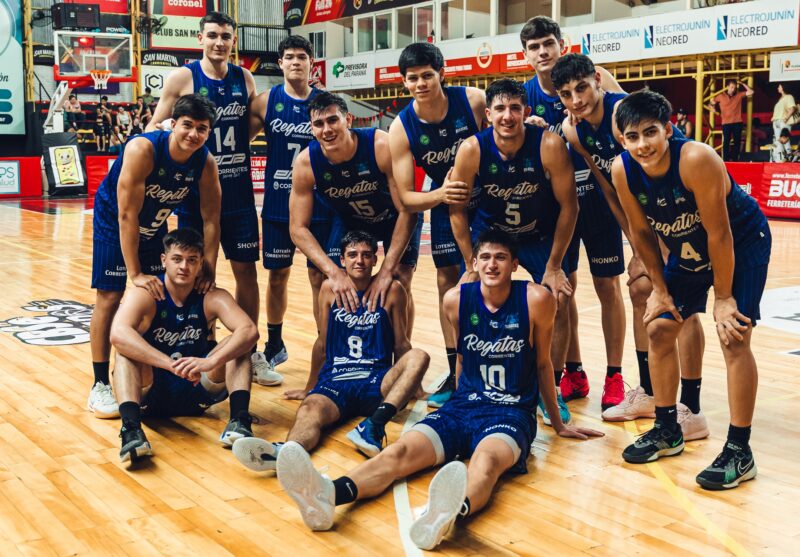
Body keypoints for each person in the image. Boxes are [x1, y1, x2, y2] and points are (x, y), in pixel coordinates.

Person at [274, 229, 602, 548]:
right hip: (461, 409)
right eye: (485, 257)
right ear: (474, 262)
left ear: (515, 264)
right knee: (398, 452)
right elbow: (462, 357)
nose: (492, 265)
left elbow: (543, 364)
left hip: (509, 413)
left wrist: (558, 423)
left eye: (501, 258)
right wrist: (456, 402)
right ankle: (328, 494)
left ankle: (447, 514)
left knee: (486, 462)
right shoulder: (455, 301)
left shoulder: (536, 299)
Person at [612, 90, 771, 490]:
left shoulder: (697, 159)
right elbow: (641, 233)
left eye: (650, 132)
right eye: (633, 136)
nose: (643, 144)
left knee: (734, 336)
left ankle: (740, 450)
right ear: (622, 140)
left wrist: (724, 298)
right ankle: (668, 429)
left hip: (741, 241)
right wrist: (660, 290)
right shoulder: (622, 170)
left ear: (668, 129)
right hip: (687, 246)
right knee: (659, 327)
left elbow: (720, 234)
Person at [553, 54, 708, 435]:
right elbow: (611, 191)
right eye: (567, 94)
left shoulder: (622, 113)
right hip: (644, 215)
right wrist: (639, 249)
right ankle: (651, 392)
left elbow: (664, 173)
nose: (577, 100)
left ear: (597, 80)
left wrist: (664, 248)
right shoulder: (573, 130)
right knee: (641, 290)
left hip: (679, 210)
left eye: (582, 88)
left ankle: (691, 405)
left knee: (682, 303)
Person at [232, 231, 430, 470]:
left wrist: (416, 389)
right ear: (342, 260)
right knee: (309, 410)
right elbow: (322, 343)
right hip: (336, 379)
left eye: (366, 255)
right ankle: (287, 452)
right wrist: (309, 387)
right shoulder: (329, 289)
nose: (360, 260)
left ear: (375, 260)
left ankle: (373, 425)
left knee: (419, 356)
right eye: (353, 255)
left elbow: (401, 344)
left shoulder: (393, 290)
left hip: (377, 381)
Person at [148, 12, 271, 382]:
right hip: (195, 195)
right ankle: (206, 346)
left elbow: (248, 125)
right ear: (200, 39)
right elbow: (155, 126)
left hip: (238, 190)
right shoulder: (182, 78)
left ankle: (248, 350)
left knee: (246, 271)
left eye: (226, 36)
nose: (220, 42)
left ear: (233, 41)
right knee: (198, 275)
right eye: (213, 35)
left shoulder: (244, 77)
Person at [449, 78, 578, 426]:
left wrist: (554, 265)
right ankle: (473, 382)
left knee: (559, 297)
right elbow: (456, 210)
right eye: (500, 109)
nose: (508, 116)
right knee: (467, 298)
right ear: (488, 114)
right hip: (492, 236)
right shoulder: (472, 149)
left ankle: (552, 388)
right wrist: (470, 262)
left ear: (526, 111)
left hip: (539, 235)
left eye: (515, 108)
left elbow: (570, 206)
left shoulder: (549, 144)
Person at [519, 15, 629, 414]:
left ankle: (615, 375)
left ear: (561, 45)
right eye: (534, 47)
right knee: (563, 292)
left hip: (599, 196)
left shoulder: (597, 77)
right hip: (558, 204)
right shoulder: (525, 95)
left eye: (548, 43)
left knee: (607, 287)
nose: (542, 52)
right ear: (526, 55)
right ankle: (574, 370)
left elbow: (630, 120)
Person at [87, 94, 221, 419]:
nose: (193, 134)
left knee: (162, 295)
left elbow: (211, 220)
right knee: (110, 296)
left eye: (201, 129)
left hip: (154, 223)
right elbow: (127, 215)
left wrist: (209, 268)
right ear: (173, 124)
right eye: (187, 125)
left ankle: (156, 374)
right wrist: (135, 273)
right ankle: (100, 383)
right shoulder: (143, 149)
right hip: (115, 221)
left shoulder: (204, 162)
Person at [390, 42, 487, 407]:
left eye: (427, 75)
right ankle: (455, 371)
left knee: (493, 277)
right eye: (412, 78)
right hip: (444, 202)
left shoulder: (472, 101)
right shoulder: (402, 127)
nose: (420, 84)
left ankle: (495, 365)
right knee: (448, 282)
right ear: (404, 82)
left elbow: (505, 136)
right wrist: (442, 194)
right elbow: (405, 198)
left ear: (442, 74)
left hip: (487, 197)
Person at [110, 228, 258, 462]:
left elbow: (249, 330)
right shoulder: (145, 294)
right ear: (164, 260)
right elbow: (118, 334)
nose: (184, 267)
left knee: (239, 343)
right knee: (125, 352)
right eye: (177, 259)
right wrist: (170, 364)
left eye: (192, 260)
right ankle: (131, 430)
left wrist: (210, 361)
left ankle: (239, 421)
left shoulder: (212, 296)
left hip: (197, 386)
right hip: (150, 389)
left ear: (201, 264)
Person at [289, 92, 421, 330]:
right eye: (319, 124)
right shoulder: (306, 163)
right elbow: (297, 228)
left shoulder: (380, 145)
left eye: (333, 120)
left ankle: (401, 347)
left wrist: (386, 271)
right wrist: (334, 273)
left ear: (348, 119)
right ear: (311, 129)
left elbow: (407, 209)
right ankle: (336, 346)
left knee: (399, 278)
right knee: (328, 279)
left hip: (395, 217)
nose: (327, 130)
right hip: (351, 219)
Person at [249, 35, 332, 376]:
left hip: (318, 203)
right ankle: (275, 343)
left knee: (318, 277)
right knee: (277, 275)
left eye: (302, 56)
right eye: (289, 56)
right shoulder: (266, 101)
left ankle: (325, 346)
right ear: (281, 63)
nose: (296, 61)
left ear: (311, 63)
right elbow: (236, 141)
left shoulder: (324, 103)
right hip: (278, 202)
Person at [707, 78, 753, 162]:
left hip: (737, 122)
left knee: (737, 142)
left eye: (734, 87)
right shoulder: (721, 96)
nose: (733, 89)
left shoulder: (738, 95)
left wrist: (742, 83)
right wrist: (713, 109)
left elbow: (751, 92)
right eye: (731, 87)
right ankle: (726, 160)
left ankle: (735, 160)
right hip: (726, 123)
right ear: (727, 87)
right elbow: (710, 104)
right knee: (726, 142)